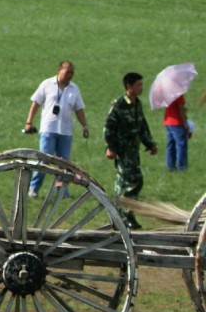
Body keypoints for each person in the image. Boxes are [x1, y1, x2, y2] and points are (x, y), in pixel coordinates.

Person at [24, 60, 88, 197]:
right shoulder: (47, 84)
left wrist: (84, 126)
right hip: (48, 128)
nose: (70, 75)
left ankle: (60, 189)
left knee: (64, 164)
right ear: (59, 70)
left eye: (72, 72)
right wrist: (29, 122)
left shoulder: (74, 89)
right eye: (67, 72)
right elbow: (35, 103)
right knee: (44, 160)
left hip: (65, 131)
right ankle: (34, 188)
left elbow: (79, 110)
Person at [103, 72, 158, 227]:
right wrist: (111, 147)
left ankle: (118, 216)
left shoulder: (137, 104)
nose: (141, 87)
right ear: (129, 87)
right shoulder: (119, 105)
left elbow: (142, 126)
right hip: (122, 150)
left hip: (133, 150)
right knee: (134, 180)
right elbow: (108, 128)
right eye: (138, 85)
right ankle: (126, 216)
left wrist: (150, 144)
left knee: (122, 183)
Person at [164, 92, 190, 171]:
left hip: (168, 121)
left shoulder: (166, 93)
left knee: (170, 145)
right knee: (181, 145)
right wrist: (185, 123)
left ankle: (170, 166)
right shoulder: (178, 94)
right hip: (177, 122)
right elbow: (181, 109)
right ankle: (182, 167)